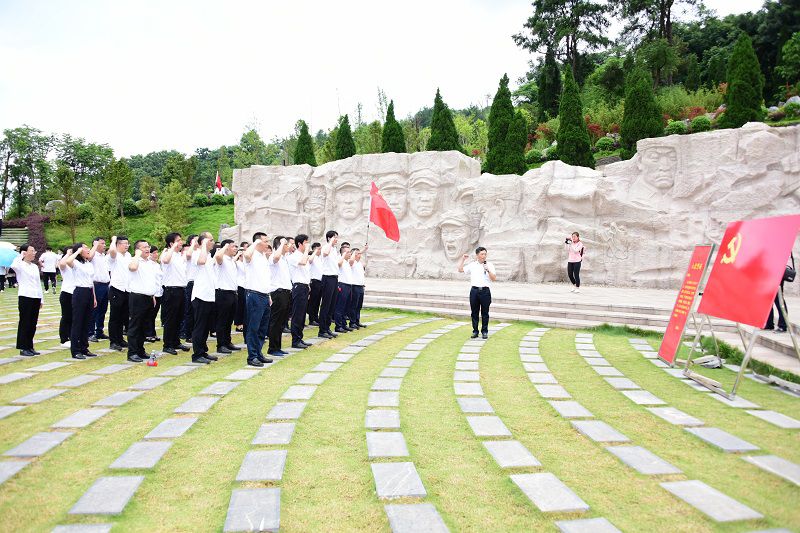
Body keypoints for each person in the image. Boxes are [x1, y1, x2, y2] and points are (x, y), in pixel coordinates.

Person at [62, 242, 98, 359]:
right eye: (85, 248)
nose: (88, 249)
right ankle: (75, 350)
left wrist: (94, 297)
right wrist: (76, 251)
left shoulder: (88, 263)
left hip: (89, 292)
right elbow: (68, 262)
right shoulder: (76, 262)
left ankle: (84, 347)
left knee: (87, 322)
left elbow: (91, 281)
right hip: (79, 292)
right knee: (78, 322)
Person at [244, 232, 274, 367]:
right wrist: (255, 243)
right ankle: (252, 356)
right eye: (265, 241)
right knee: (253, 327)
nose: (268, 244)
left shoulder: (262, 257)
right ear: (257, 242)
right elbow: (246, 255)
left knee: (262, 328)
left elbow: (265, 278)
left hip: (264, 295)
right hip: (254, 295)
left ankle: (258, 352)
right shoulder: (252, 254)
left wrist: (269, 295)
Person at [127, 240, 158, 363]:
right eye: (144, 247)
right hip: (137, 297)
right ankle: (132, 352)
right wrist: (137, 255)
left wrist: (153, 295)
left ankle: (140, 350)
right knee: (135, 325)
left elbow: (150, 281)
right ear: (137, 250)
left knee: (144, 326)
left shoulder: (150, 263)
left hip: (149, 297)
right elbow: (133, 268)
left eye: (148, 246)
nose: (147, 249)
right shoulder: (135, 261)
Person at [11, 244, 43, 356]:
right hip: (25, 296)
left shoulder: (34, 266)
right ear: (25, 252)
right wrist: (20, 256)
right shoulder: (20, 264)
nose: (34, 253)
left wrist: (41, 299)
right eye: (32, 251)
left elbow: (38, 283)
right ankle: (23, 347)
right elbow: (14, 266)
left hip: (35, 297)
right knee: (25, 322)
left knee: (33, 323)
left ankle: (30, 345)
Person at [457, 247, 497, 339]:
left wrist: (487, 270)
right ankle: (475, 331)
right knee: (474, 312)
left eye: (485, 254)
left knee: (485, 313)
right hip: (474, 291)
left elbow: (494, 278)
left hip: (485, 291)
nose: (484, 256)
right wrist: (463, 259)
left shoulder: (489, 265)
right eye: (482, 254)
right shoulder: (472, 265)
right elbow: (460, 269)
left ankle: (484, 331)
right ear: (477, 255)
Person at [160, 232, 189, 355]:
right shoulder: (167, 254)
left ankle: (176, 341)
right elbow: (165, 260)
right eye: (178, 240)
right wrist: (171, 247)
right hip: (171, 290)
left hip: (181, 289)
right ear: (172, 243)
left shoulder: (178, 255)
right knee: (170, 319)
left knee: (179, 317)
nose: (181, 242)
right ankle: (167, 344)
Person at [190, 234, 217, 364]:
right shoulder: (197, 253)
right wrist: (204, 245)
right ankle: (197, 354)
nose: (213, 242)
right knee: (200, 326)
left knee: (206, 326)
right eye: (210, 240)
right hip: (200, 296)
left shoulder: (209, 256)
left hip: (209, 296)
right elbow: (201, 262)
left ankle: (203, 351)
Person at [215, 239, 241, 354]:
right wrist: (224, 246)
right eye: (233, 246)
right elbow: (218, 257)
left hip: (233, 293)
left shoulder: (231, 260)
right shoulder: (222, 259)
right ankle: (221, 344)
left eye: (236, 246)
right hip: (223, 293)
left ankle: (227, 341)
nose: (235, 248)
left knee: (229, 320)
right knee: (222, 320)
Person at [288, 234, 313, 349]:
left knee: (302, 314)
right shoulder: (294, 256)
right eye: (306, 243)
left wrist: (308, 286)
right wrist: (307, 250)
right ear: (300, 244)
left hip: (304, 287)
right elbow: (302, 263)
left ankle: (300, 338)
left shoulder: (303, 256)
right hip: (298, 287)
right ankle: (295, 340)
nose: (308, 245)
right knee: (297, 314)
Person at [267, 236, 291, 356]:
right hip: (278, 292)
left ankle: (278, 346)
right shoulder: (274, 256)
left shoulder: (285, 258)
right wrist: (281, 244)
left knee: (282, 322)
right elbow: (275, 257)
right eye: (286, 244)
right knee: (275, 321)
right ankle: (272, 348)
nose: (288, 246)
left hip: (286, 292)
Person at [108, 235, 131, 351]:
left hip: (127, 289)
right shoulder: (114, 255)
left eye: (128, 243)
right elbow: (112, 250)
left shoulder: (128, 255)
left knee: (124, 316)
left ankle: (120, 339)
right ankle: (113, 341)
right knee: (114, 316)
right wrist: (113, 239)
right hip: (117, 288)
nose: (127, 245)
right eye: (124, 243)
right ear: (118, 245)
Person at [318, 230, 341, 339]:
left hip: (334, 278)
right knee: (326, 305)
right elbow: (325, 253)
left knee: (332, 305)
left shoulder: (334, 249)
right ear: (329, 238)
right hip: (327, 278)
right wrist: (330, 242)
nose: (336, 239)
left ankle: (327, 328)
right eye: (334, 237)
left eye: (337, 237)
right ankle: (322, 330)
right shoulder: (326, 247)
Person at [87, 237, 110, 342]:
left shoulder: (104, 256)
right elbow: (89, 257)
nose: (104, 245)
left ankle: (99, 331)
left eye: (104, 243)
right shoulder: (93, 255)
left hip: (105, 285)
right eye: (102, 243)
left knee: (103, 309)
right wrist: (95, 246)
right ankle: (90, 332)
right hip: (96, 285)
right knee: (94, 309)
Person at [766, 253, 794, 333]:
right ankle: (769, 323)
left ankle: (783, 325)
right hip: (769, 269)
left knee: (778, 299)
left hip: (777, 270)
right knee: (768, 298)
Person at [182, 234, 199, 343]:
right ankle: (188, 334)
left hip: (200, 283)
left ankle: (196, 333)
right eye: (195, 240)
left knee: (198, 310)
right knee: (190, 310)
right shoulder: (189, 252)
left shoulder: (200, 252)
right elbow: (188, 255)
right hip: (191, 283)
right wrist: (192, 244)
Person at [145, 245, 163, 342]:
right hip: (152, 293)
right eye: (154, 253)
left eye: (157, 252)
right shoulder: (148, 264)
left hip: (159, 292)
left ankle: (152, 332)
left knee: (154, 314)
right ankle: (148, 333)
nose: (156, 254)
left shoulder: (157, 264)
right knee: (149, 314)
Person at [334, 242, 354, 333]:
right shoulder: (340, 259)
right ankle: (338, 326)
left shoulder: (347, 262)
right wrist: (343, 255)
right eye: (348, 252)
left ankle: (343, 324)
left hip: (348, 286)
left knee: (345, 307)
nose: (350, 253)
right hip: (342, 285)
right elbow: (338, 264)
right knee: (340, 307)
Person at [57, 245, 75, 347]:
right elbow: (62, 264)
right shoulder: (64, 263)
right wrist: (68, 254)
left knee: (74, 317)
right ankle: (64, 339)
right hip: (67, 292)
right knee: (66, 316)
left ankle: (72, 336)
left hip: (76, 292)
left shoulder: (75, 263)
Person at [349, 245, 367, 329]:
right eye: (357, 253)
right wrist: (355, 252)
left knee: (359, 306)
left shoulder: (359, 263)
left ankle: (357, 321)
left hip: (361, 286)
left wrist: (365, 250)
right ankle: (352, 322)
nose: (360, 255)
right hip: (355, 287)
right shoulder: (352, 262)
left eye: (359, 253)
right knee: (353, 305)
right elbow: (352, 260)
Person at [234, 241, 249, 333]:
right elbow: (232, 262)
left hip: (246, 286)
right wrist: (238, 254)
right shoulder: (237, 262)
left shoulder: (246, 263)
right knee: (240, 306)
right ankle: (238, 324)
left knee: (245, 306)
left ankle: (243, 323)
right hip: (239, 286)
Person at [307, 242, 323, 326]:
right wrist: (314, 252)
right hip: (314, 281)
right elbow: (309, 261)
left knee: (317, 301)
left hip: (320, 282)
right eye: (318, 249)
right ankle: (311, 319)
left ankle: (316, 317)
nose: (320, 250)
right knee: (313, 301)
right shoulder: (311, 256)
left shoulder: (319, 258)